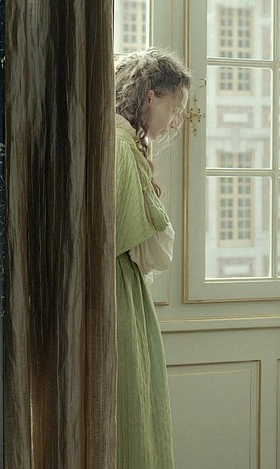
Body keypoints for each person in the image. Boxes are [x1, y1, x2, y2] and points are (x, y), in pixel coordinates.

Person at [113, 48, 191, 468]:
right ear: (149, 97)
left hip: (117, 287)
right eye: (173, 107)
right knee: (130, 406)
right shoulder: (120, 146)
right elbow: (156, 246)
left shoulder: (116, 140)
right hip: (114, 292)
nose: (175, 120)